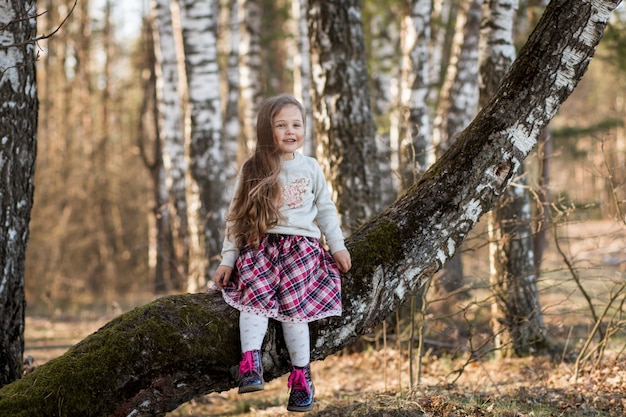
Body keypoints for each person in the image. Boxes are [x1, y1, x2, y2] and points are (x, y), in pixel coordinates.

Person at [213, 93, 351, 412]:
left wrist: (338, 245)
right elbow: (236, 216)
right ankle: (250, 362)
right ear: (267, 130)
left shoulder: (311, 167)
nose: (291, 132)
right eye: (281, 125)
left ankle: (301, 377)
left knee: (294, 311)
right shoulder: (253, 168)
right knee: (254, 299)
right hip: (260, 246)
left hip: (300, 250)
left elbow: (327, 210)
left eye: (297, 125)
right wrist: (227, 259)